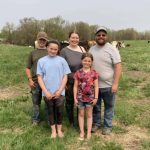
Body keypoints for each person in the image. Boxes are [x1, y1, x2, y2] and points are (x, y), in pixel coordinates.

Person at [89, 27, 122, 135]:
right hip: (95, 85)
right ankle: (96, 124)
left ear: (106, 36)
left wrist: (115, 83)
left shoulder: (112, 49)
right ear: (96, 36)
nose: (101, 37)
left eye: (103, 35)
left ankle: (107, 126)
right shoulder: (91, 49)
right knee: (96, 107)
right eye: (99, 35)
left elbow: (118, 66)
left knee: (109, 107)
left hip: (109, 85)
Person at [37, 40, 71, 138]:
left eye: (55, 49)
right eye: (51, 49)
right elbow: (39, 77)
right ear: (47, 48)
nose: (53, 51)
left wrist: (60, 90)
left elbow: (65, 76)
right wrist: (45, 91)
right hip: (47, 92)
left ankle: (59, 130)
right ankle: (53, 131)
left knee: (60, 111)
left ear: (58, 50)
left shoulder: (62, 60)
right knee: (50, 111)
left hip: (59, 92)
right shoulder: (41, 61)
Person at [60, 31, 86, 127]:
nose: (75, 40)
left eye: (77, 38)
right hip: (70, 81)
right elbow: (61, 67)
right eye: (73, 37)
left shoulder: (82, 49)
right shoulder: (64, 51)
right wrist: (64, 83)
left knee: (81, 101)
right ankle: (71, 122)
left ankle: (80, 120)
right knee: (70, 101)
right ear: (69, 39)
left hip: (82, 81)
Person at [73, 53, 99, 140]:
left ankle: (88, 132)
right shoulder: (78, 73)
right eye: (85, 60)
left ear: (91, 62)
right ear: (82, 61)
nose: (87, 62)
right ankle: (82, 132)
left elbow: (96, 86)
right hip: (80, 98)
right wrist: (75, 98)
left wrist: (96, 97)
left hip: (90, 98)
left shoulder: (94, 73)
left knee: (89, 115)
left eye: (89, 61)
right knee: (80, 114)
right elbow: (75, 86)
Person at [26, 31, 48, 125]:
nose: (42, 41)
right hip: (35, 81)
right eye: (40, 39)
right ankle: (36, 119)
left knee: (48, 102)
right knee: (36, 103)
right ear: (37, 40)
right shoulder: (32, 53)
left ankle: (49, 120)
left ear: (46, 41)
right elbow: (27, 67)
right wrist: (30, 80)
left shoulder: (49, 51)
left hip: (47, 81)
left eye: (44, 40)